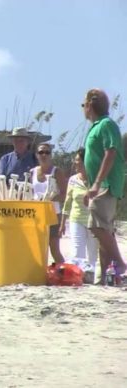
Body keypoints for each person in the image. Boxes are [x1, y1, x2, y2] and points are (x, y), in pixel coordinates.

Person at [81, 88, 126, 284]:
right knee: (104, 230)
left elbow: (111, 152)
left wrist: (98, 183)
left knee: (97, 226)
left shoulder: (107, 124)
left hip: (106, 184)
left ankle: (120, 264)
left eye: (83, 105)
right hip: (99, 184)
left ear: (90, 105)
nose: (83, 109)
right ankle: (104, 277)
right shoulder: (97, 126)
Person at [59, 148, 98, 283]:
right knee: (77, 251)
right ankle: (78, 277)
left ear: (86, 162)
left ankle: (91, 277)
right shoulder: (72, 180)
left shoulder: (96, 179)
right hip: (76, 219)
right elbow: (67, 202)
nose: (74, 163)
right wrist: (63, 222)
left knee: (93, 252)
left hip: (94, 221)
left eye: (77, 161)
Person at [30, 143, 67, 264]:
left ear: (51, 155)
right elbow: (29, 191)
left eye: (47, 152)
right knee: (37, 247)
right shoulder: (32, 172)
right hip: (36, 215)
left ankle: (64, 274)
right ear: (36, 155)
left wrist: (50, 198)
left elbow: (64, 194)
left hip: (53, 214)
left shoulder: (57, 172)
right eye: (41, 152)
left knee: (54, 249)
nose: (44, 155)